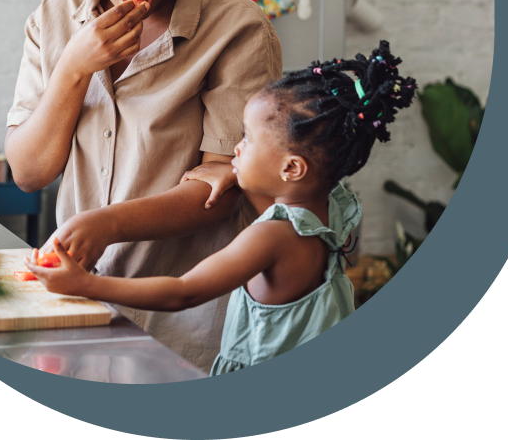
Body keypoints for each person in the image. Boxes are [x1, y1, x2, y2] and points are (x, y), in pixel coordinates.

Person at [4, 0, 282, 372]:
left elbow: (223, 189)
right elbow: (29, 172)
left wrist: (107, 222)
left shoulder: (239, 29)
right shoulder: (55, 18)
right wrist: (73, 70)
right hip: (75, 306)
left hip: (183, 324)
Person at [26, 41, 417, 374]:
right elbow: (279, 195)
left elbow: (184, 291)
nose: (237, 147)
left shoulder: (273, 236)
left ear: (291, 168)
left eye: (247, 139)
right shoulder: (333, 207)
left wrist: (86, 285)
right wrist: (237, 173)